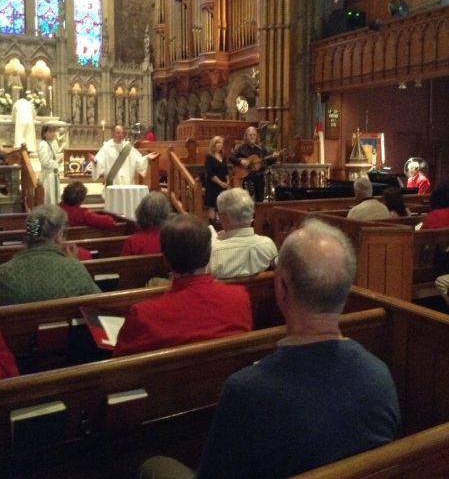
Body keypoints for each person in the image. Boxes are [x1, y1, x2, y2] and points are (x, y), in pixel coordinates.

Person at [139, 218, 401, 479]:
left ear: (282, 288)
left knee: (154, 465)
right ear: (345, 291)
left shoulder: (247, 391)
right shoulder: (380, 375)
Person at [113, 213, 252, 357]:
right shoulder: (239, 297)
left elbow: (119, 365)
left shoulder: (143, 314)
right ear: (209, 252)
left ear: (165, 258)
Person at [0, 204, 101, 305]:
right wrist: (72, 263)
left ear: (29, 234)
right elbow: (99, 302)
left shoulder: (4, 273)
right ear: (58, 235)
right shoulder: (74, 268)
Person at [207, 187, 277, 279]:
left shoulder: (212, 252)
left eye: (219, 215)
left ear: (224, 217)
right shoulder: (268, 244)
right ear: (252, 215)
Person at [89, 125, 158, 187]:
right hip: (112, 185)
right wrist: (95, 161)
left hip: (127, 183)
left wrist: (147, 158)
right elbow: (99, 162)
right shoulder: (106, 148)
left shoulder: (128, 148)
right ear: (113, 134)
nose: (120, 135)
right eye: (118, 133)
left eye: (122, 133)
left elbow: (138, 161)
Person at [229, 126, 279, 202]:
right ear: (246, 136)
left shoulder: (261, 148)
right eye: (250, 135)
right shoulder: (241, 147)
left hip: (259, 177)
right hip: (246, 177)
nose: (252, 136)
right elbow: (231, 157)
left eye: (254, 134)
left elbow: (268, 161)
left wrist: (274, 157)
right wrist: (241, 161)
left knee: (260, 200)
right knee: (246, 200)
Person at [121, 191, 171, 255]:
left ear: (141, 213)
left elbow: (123, 264)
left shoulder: (132, 242)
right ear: (166, 213)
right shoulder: (172, 240)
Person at [204, 135, 229, 225]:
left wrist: (227, 181)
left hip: (223, 184)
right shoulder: (209, 157)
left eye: (221, 143)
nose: (220, 145)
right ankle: (212, 225)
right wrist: (220, 183)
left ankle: (221, 224)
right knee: (212, 205)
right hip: (213, 184)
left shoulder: (223, 155)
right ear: (213, 145)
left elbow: (225, 169)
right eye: (218, 143)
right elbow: (210, 174)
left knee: (222, 205)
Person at [38, 124, 62, 205]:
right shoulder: (43, 144)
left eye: (54, 131)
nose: (53, 134)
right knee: (49, 199)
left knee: (54, 199)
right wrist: (57, 162)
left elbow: (56, 151)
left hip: (52, 174)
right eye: (50, 132)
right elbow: (45, 162)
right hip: (47, 176)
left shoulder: (49, 144)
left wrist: (55, 140)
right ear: (44, 133)